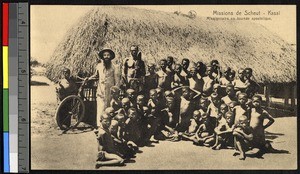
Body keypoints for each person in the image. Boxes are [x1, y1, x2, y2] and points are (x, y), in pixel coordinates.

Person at [87, 49, 118, 127]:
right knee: (100, 109)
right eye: (105, 55)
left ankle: (110, 126)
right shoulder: (99, 66)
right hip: (101, 92)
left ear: (111, 56)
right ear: (102, 57)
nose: (106, 57)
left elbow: (117, 80)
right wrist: (89, 78)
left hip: (110, 92)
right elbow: (96, 76)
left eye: (108, 55)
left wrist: (115, 91)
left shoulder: (114, 67)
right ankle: (99, 126)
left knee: (109, 109)